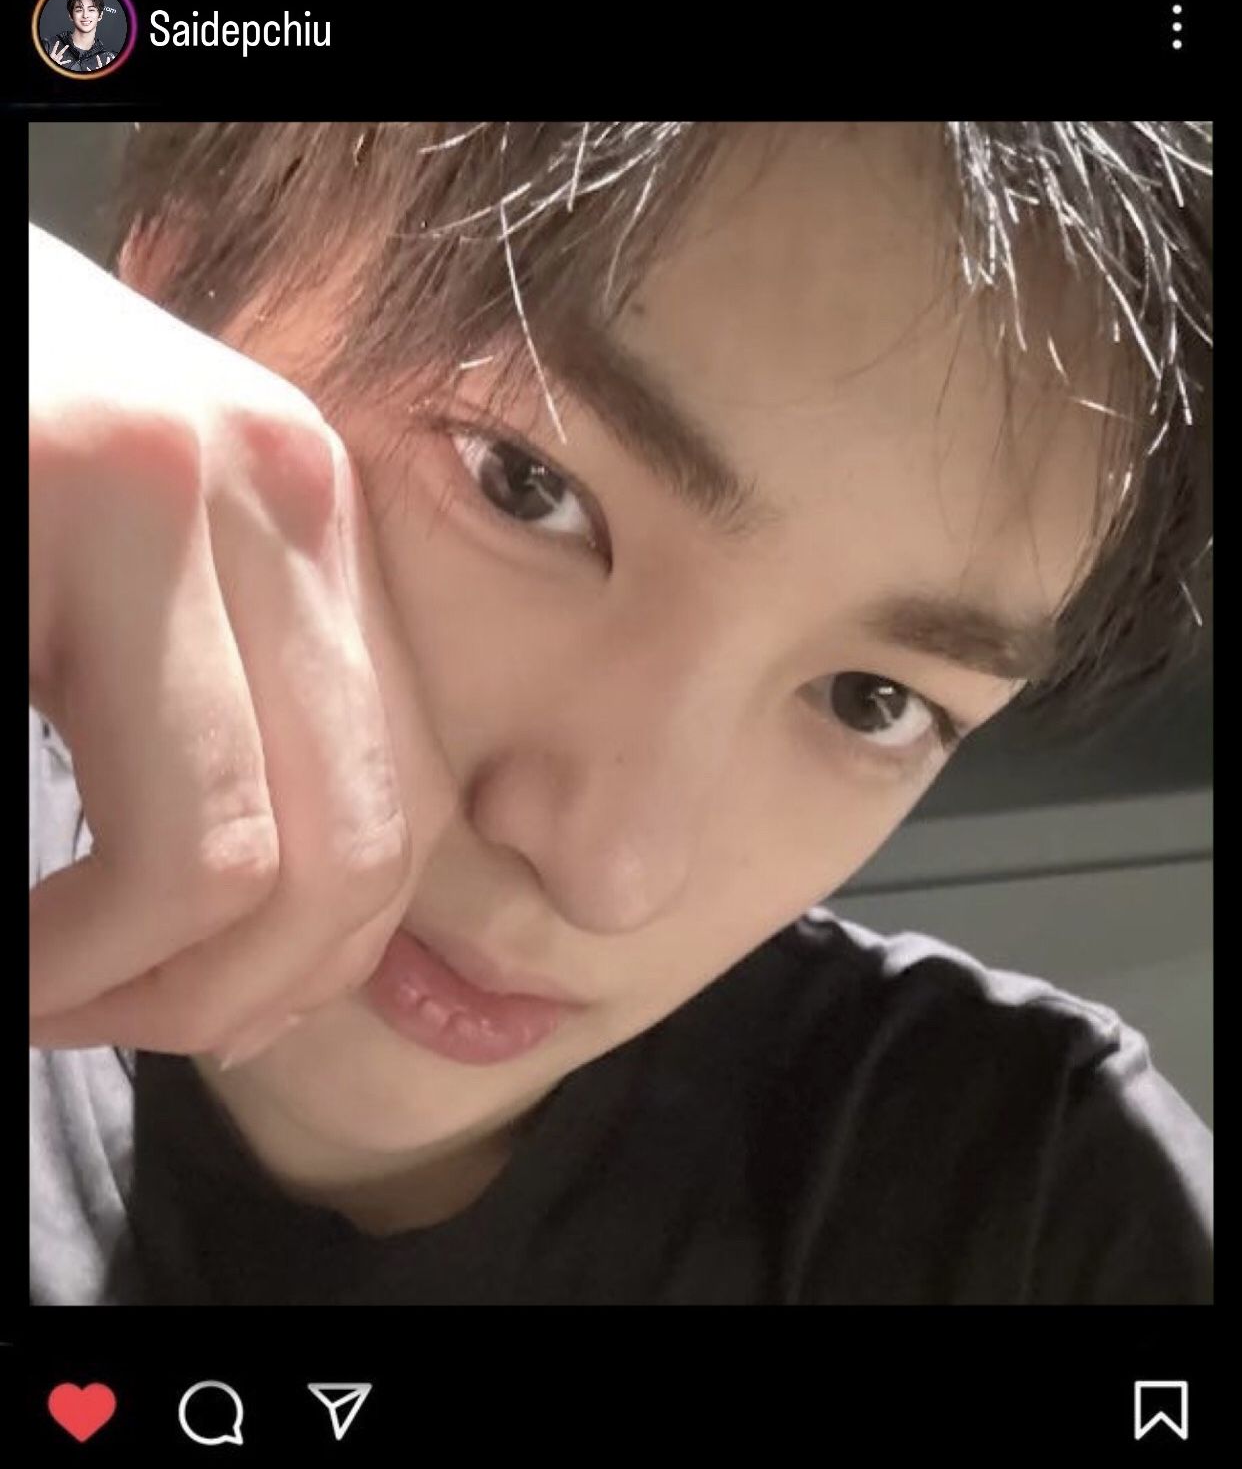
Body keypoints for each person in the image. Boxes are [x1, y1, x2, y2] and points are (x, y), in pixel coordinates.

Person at [29, 122, 1213, 1304]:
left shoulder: (1043, 1214)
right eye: (525, 486)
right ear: (173, 297)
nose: (608, 872)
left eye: (875, 700)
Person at [42, 0, 118, 73]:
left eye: (91, 10)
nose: (85, 15)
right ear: (71, 16)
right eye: (79, 10)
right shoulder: (49, 46)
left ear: (100, 16)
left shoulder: (109, 60)